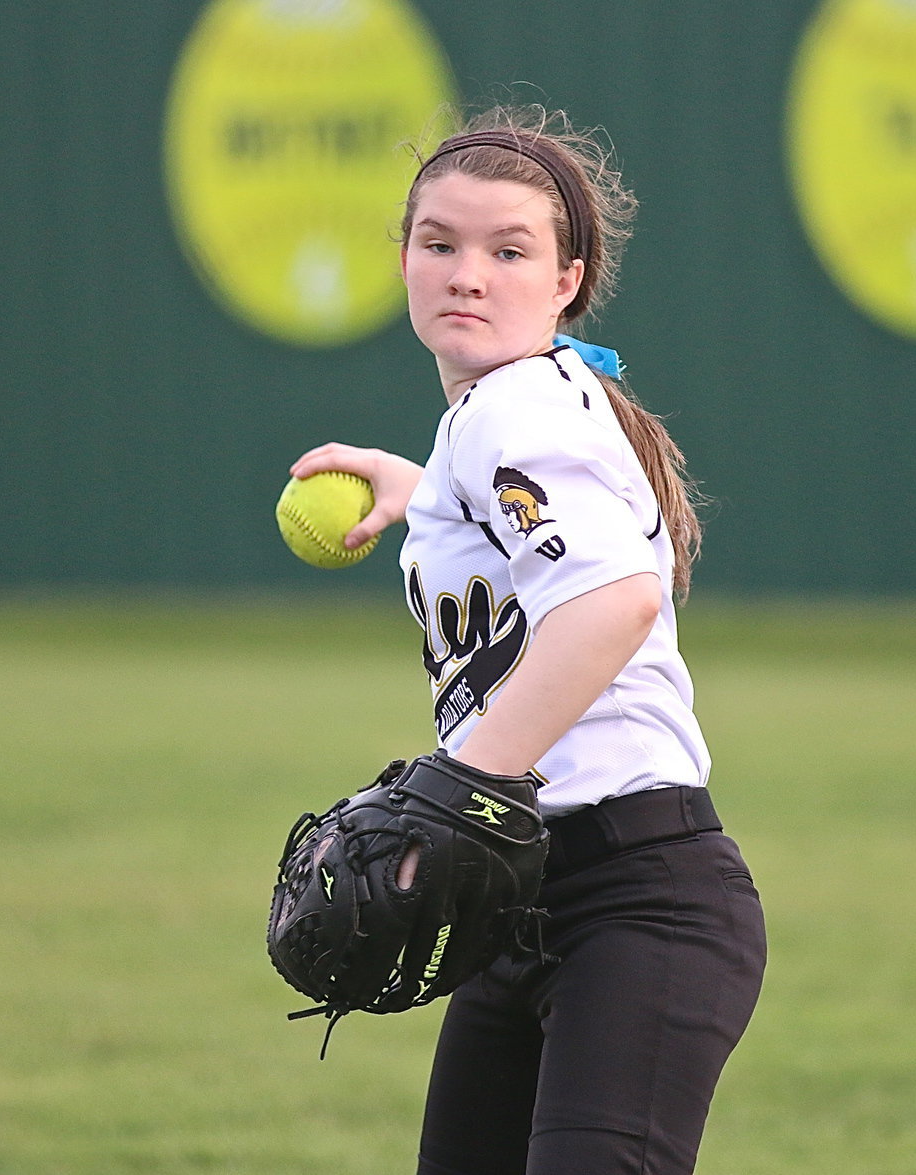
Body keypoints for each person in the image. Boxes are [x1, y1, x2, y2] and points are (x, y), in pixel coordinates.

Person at [289, 104, 767, 1175]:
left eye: (510, 250)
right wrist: (424, 499)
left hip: (639, 900)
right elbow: (532, 551)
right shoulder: (503, 414)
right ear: (405, 258)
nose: (469, 272)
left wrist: (453, 790)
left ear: (566, 280)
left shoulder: (519, 410)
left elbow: (613, 602)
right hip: (528, 899)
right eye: (440, 242)